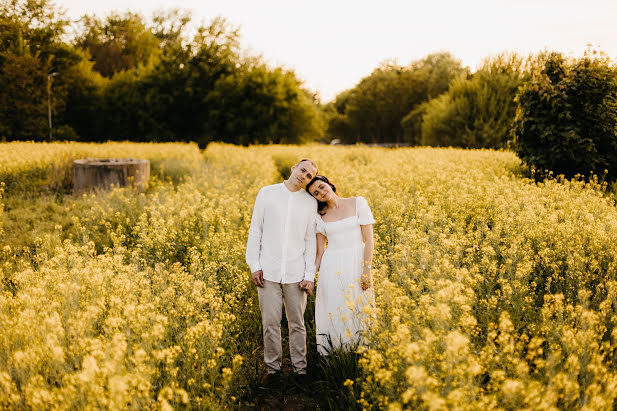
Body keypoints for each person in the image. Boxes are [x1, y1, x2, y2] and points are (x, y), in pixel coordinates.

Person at [245, 159, 318, 385]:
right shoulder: (267, 193)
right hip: (268, 270)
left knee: (297, 324)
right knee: (270, 323)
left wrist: (309, 275)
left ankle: (300, 371)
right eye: (302, 170)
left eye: (309, 176)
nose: (303, 176)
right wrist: (254, 265)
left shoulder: (309, 202)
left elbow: (310, 241)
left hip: (296, 274)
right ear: (294, 167)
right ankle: (273, 370)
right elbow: (255, 229)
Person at [305, 175, 376, 355]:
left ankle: (363, 351)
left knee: (359, 304)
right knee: (336, 307)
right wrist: (309, 278)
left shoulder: (357, 202)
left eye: (321, 186)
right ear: (315, 198)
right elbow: (320, 251)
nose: (321, 192)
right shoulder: (319, 217)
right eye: (316, 193)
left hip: (356, 261)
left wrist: (366, 270)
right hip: (332, 265)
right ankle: (338, 354)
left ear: (329, 184)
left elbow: (369, 241)